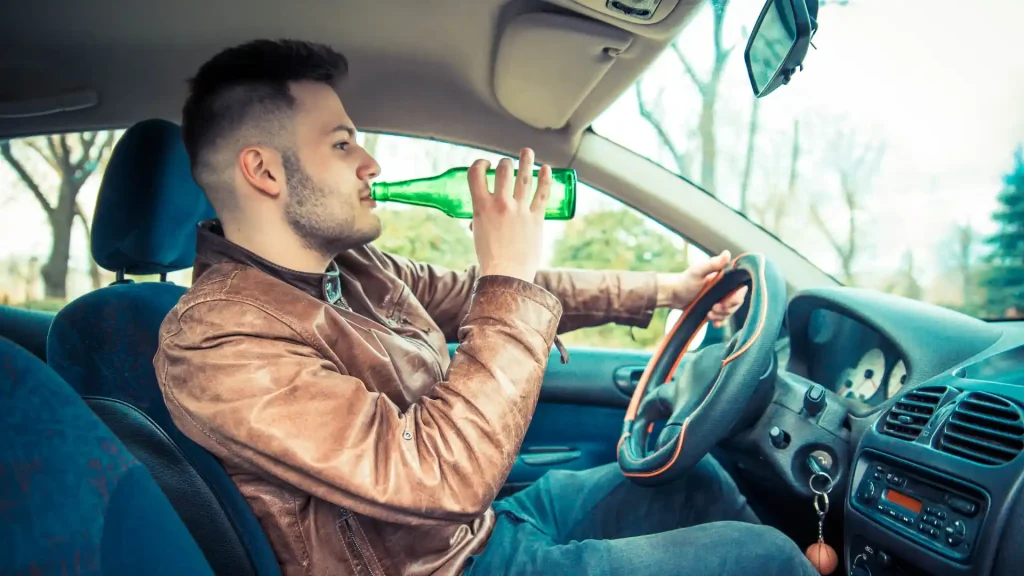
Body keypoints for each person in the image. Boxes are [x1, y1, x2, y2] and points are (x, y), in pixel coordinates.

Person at [154, 39, 817, 576]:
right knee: (761, 559)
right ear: (265, 172)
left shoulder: (353, 272)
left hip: (475, 532)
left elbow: (489, 292)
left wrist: (667, 291)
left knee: (689, 475)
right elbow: (435, 481)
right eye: (341, 143)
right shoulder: (218, 343)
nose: (372, 163)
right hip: (443, 565)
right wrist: (508, 283)